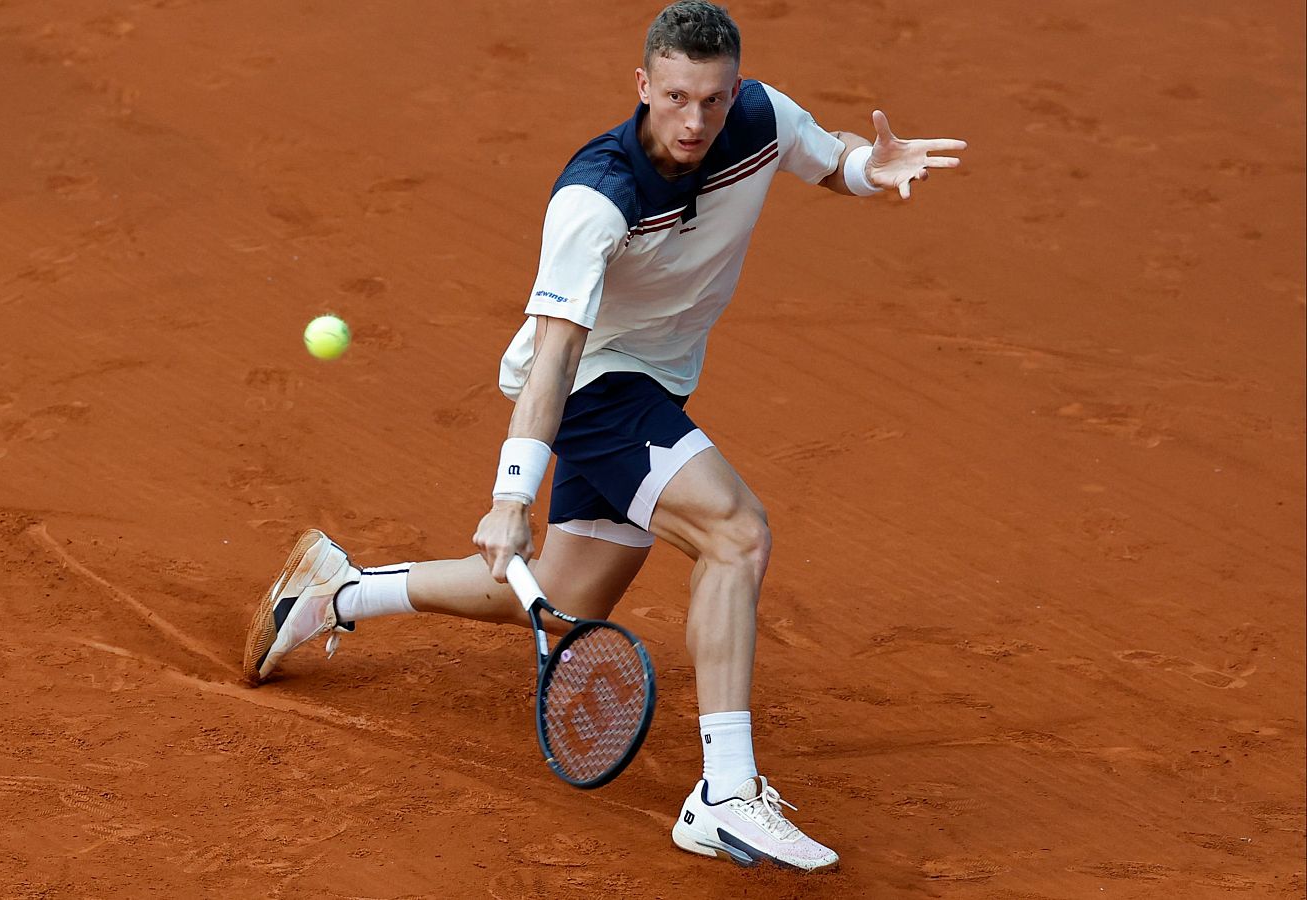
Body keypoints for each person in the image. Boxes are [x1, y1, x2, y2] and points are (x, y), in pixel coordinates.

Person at [242, 0, 964, 872]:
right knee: (735, 534)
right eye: (675, 98)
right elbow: (553, 359)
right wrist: (511, 497)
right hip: (593, 383)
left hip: (656, 379)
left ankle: (336, 594)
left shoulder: (760, 116)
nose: (696, 120)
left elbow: (827, 157)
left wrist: (866, 166)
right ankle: (725, 794)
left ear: (734, 87)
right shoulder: (595, 199)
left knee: (559, 599)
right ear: (642, 86)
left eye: (713, 98)